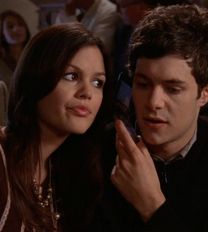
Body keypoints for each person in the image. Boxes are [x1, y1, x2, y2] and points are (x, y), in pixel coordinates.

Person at [109, 4, 208, 232]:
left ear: (206, 92)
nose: (154, 102)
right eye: (143, 84)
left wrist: (152, 206)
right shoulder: (100, 150)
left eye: (173, 88)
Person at [0, 22, 112, 231]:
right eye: (71, 76)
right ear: (37, 77)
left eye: (98, 83)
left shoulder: (64, 173)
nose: (87, 92)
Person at [55, 0, 120, 55]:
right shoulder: (72, 8)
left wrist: (70, 17)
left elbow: (98, 50)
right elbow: (57, 43)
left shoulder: (108, 11)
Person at [0, 10, 30, 90]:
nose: (17, 29)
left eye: (20, 24)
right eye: (10, 26)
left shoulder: (34, 56)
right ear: (2, 33)